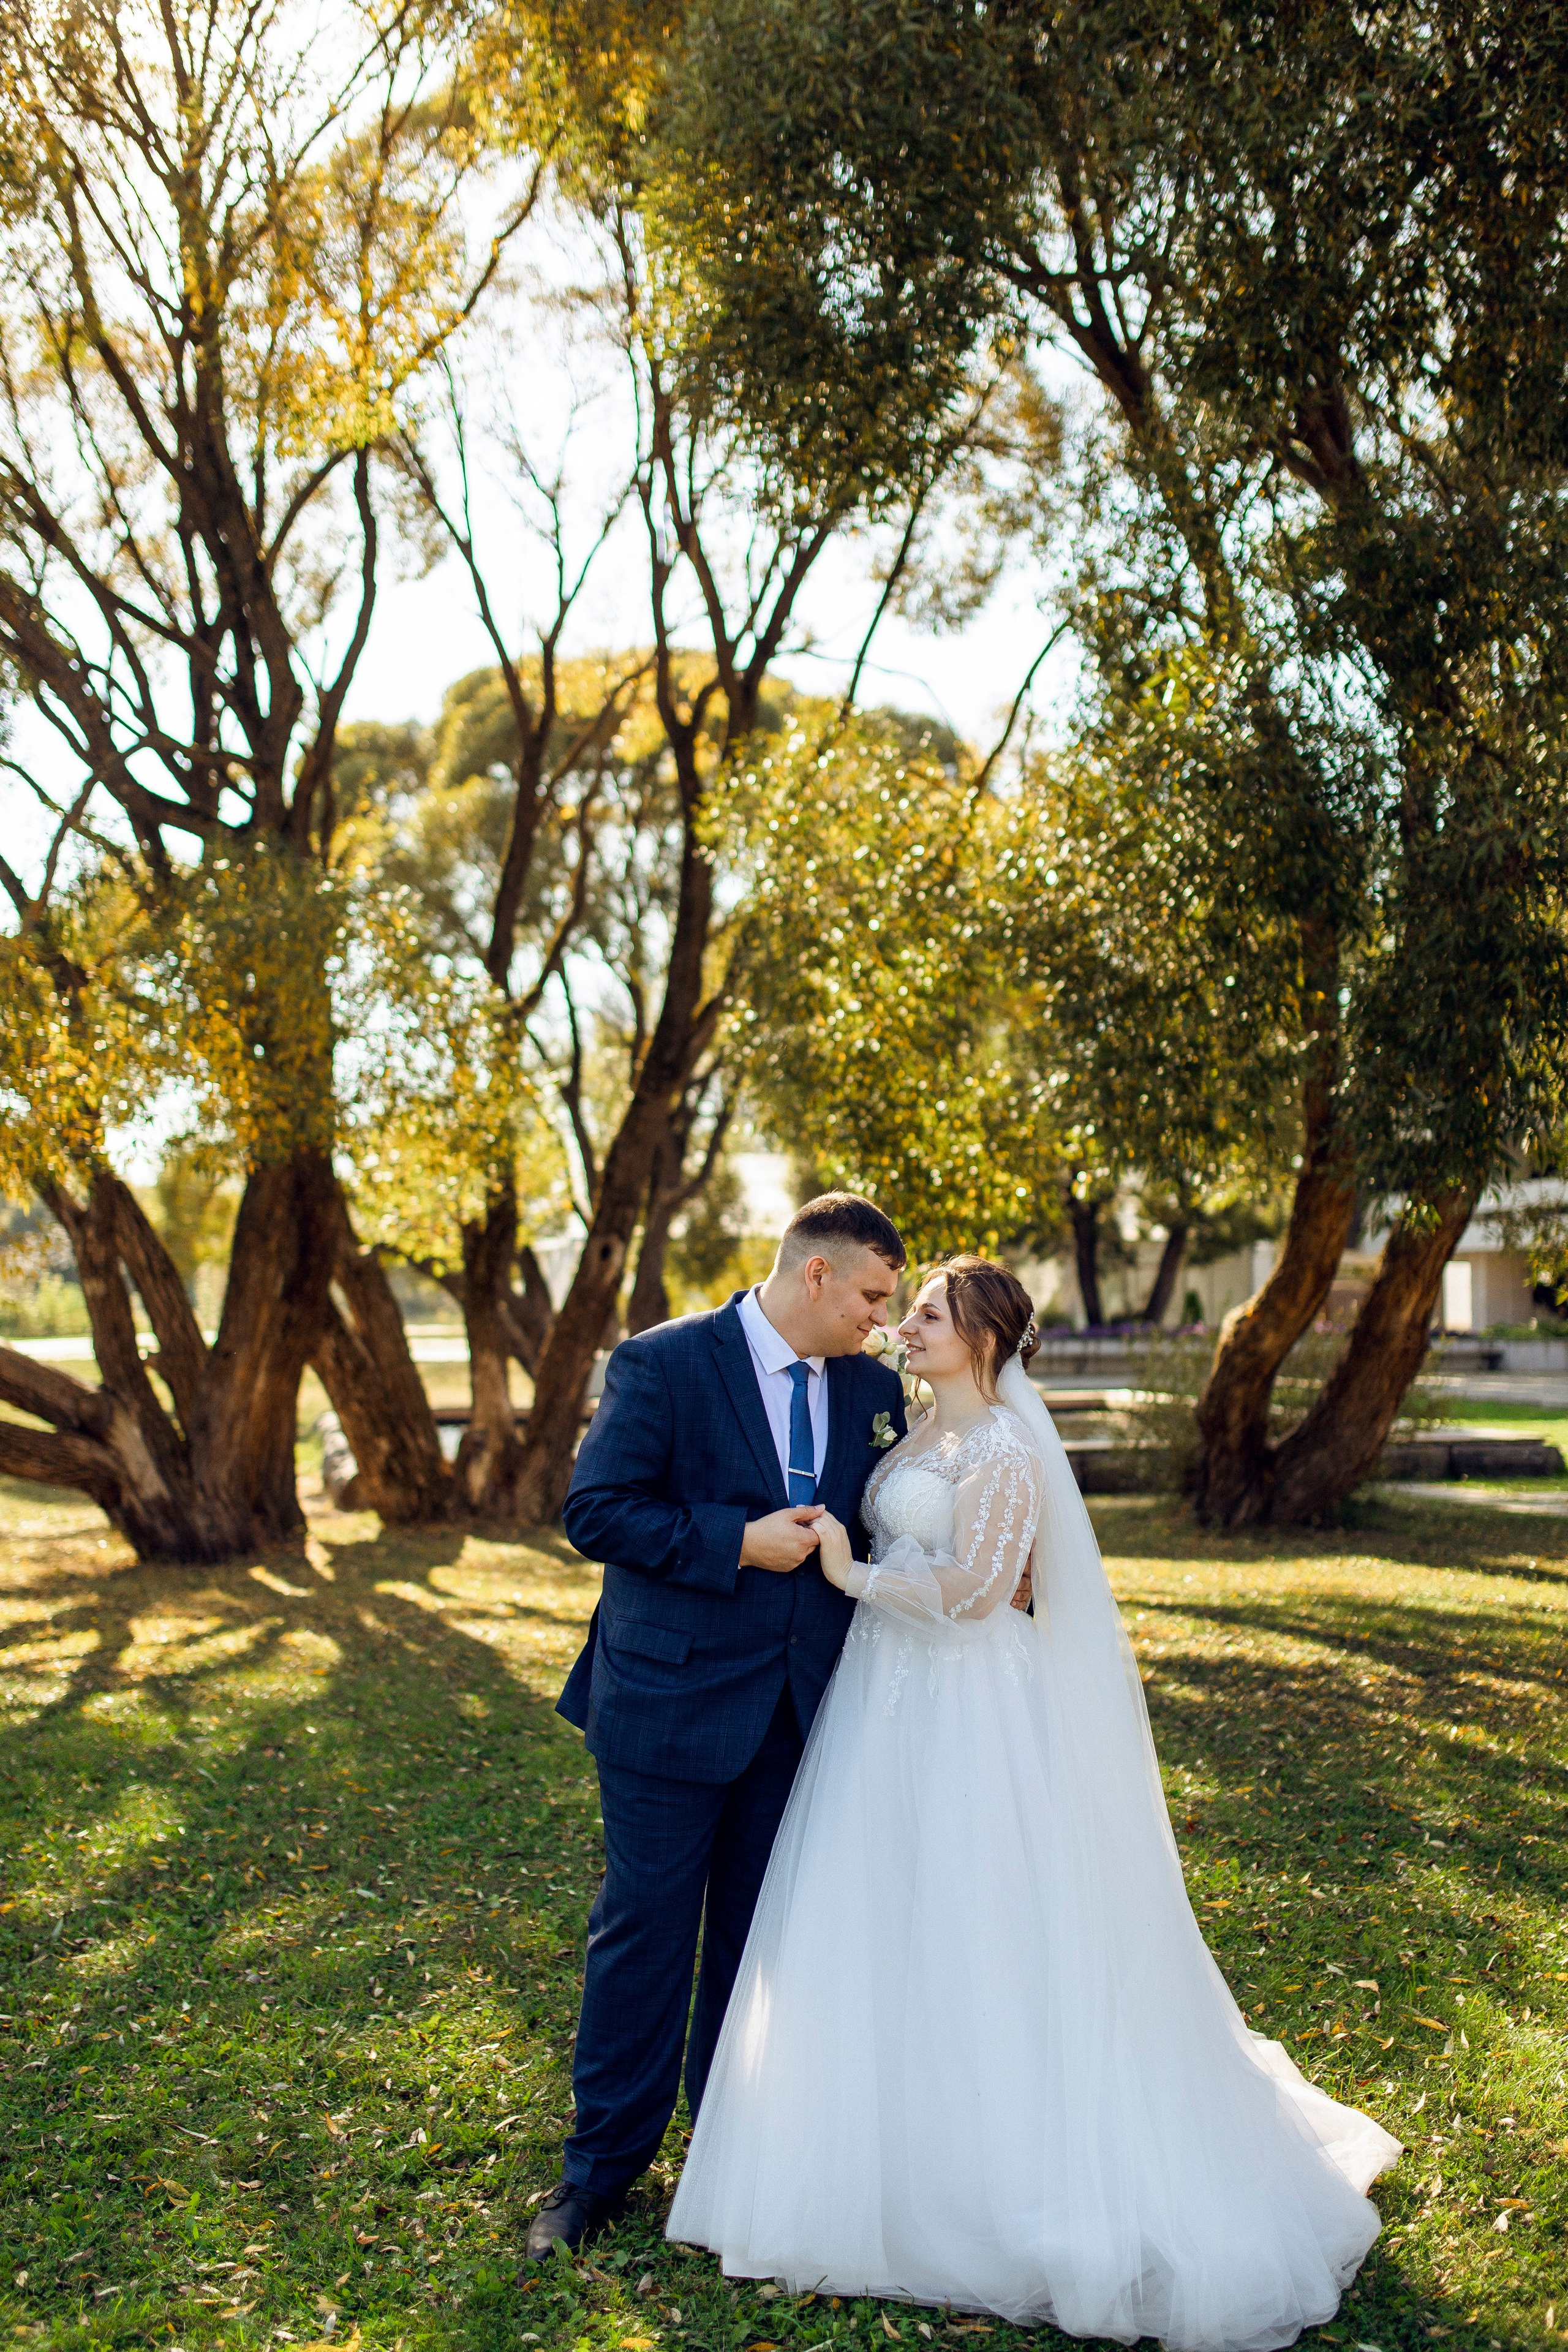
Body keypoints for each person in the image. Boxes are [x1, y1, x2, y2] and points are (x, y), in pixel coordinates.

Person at [668, 1256, 1402, 2352]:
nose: (903, 1326)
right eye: (903, 1309)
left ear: (985, 1336)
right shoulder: (911, 1434)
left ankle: (995, 2169)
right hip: (883, 1700)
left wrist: (848, 1575)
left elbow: (975, 1596)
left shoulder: (1008, 1448)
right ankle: (881, 2146)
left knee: (983, 1912)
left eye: (926, 1313)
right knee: (885, 1912)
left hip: (969, 1703)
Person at [527, 1194, 913, 2258]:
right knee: (644, 1935)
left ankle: (728, 2155)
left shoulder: (878, 1388)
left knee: (758, 1944)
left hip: (801, 1710)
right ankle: (598, 2174)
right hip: (664, 1700)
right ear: (817, 1274)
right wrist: (734, 1542)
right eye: (874, 1296)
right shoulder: (662, 1363)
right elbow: (594, 1512)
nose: (884, 1322)